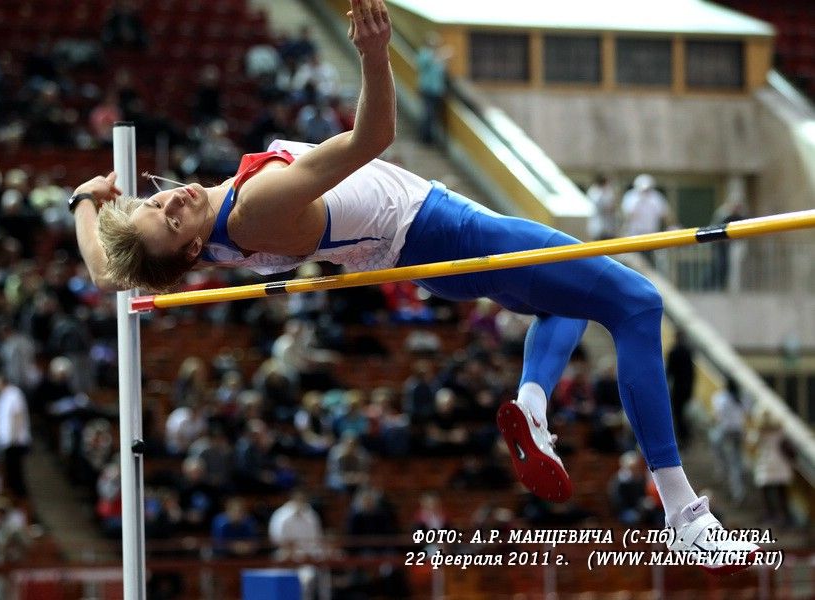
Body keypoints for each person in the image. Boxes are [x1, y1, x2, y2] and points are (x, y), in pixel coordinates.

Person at [68, 0, 756, 573]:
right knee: (639, 302)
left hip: (429, 249)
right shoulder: (257, 208)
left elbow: (105, 270)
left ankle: (534, 405)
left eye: (158, 204)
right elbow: (373, 136)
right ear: (189, 249)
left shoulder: (213, 232)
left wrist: (85, 201)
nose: (171, 202)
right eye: (169, 218)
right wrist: (373, 54)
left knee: (570, 295)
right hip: (445, 231)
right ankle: (682, 509)